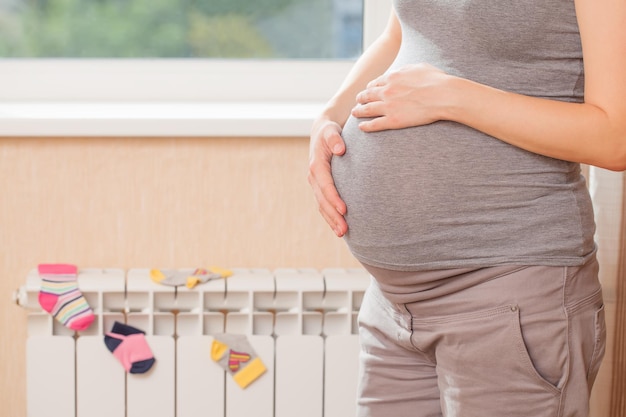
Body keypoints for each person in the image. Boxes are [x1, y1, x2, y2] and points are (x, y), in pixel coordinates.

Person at [307, 1, 625, 416]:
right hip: (393, 304)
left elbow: (614, 136)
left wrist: (452, 96)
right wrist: (329, 115)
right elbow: (401, 33)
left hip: (508, 291)